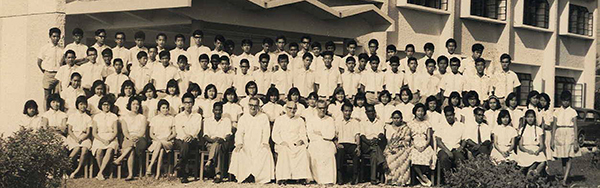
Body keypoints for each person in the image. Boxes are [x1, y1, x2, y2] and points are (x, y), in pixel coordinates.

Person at [229, 97, 275, 183]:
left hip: (259, 143)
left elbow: (266, 132)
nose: (253, 108)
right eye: (251, 105)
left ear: (258, 106)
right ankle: (244, 176)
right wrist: (239, 143)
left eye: (255, 105)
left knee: (265, 152)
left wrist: (265, 142)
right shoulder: (243, 118)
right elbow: (239, 133)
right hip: (246, 144)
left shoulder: (263, 117)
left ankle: (258, 177)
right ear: (248, 105)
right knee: (239, 152)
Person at [272, 101, 311, 185]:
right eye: (290, 108)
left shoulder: (300, 120)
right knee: (284, 150)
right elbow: (275, 134)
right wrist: (281, 142)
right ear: (286, 108)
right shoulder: (279, 119)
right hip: (283, 143)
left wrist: (301, 140)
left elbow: (303, 134)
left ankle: (301, 177)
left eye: (294, 109)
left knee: (302, 150)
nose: (292, 110)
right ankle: (283, 178)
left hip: (296, 143)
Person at [113, 96, 148, 181]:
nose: (135, 106)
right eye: (133, 104)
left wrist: (137, 137)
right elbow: (125, 132)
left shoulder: (142, 117)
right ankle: (131, 174)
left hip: (140, 139)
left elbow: (143, 131)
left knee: (132, 145)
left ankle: (120, 158)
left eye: (137, 104)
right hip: (128, 138)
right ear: (130, 105)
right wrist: (130, 137)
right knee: (131, 148)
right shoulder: (125, 118)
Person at [174, 93, 203, 183]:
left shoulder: (197, 116)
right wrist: (185, 137)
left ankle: (180, 166)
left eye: (190, 102)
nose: (188, 105)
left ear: (193, 104)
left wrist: (190, 136)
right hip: (180, 140)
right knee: (184, 144)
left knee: (186, 144)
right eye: (186, 103)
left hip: (193, 140)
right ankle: (184, 174)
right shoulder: (178, 116)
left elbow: (197, 129)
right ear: (183, 103)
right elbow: (179, 129)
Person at [306, 100, 337, 184]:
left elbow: (331, 135)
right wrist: (323, 134)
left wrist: (320, 133)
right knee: (315, 153)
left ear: (326, 109)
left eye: (324, 108)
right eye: (320, 108)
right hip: (315, 142)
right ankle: (318, 179)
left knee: (329, 154)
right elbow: (311, 135)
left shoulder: (330, 120)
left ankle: (329, 179)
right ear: (316, 108)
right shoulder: (311, 120)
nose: (322, 110)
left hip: (328, 143)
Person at [552, 91, 579, 186]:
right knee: (563, 158)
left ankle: (564, 180)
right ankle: (565, 177)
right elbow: (554, 126)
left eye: (567, 101)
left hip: (569, 133)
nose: (565, 103)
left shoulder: (573, 112)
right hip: (559, 133)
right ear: (561, 101)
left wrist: (575, 141)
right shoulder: (556, 112)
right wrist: (552, 140)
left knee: (569, 157)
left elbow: (575, 127)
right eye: (564, 100)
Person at [203, 101, 233, 183]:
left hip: (223, 143)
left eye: (219, 110)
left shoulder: (226, 120)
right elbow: (205, 135)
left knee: (219, 144)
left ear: (222, 111)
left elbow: (228, 134)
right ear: (213, 111)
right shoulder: (207, 120)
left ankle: (209, 161)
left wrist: (222, 139)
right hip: (210, 143)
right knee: (217, 147)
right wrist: (213, 140)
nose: (218, 112)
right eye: (216, 110)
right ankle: (218, 175)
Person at [435, 106, 467, 184]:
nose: (449, 117)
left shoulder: (460, 125)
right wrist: (447, 151)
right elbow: (438, 141)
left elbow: (464, 139)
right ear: (445, 116)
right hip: (444, 149)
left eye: (451, 115)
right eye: (447, 115)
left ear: (454, 115)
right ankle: (448, 180)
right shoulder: (441, 125)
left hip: (456, 148)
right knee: (444, 158)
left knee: (460, 158)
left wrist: (461, 147)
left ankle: (459, 180)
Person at [90, 96, 119, 180]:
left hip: (111, 137)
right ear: (101, 105)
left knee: (110, 149)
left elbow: (116, 132)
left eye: (108, 105)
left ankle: (100, 173)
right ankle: (102, 172)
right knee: (99, 151)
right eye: (104, 104)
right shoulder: (96, 117)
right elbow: (94, 132)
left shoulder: (114, 116)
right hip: (99, 137)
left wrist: (109, 140)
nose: (106, 106)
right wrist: (102, 140)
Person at [146, 99, 176, 179]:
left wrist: (168, 138)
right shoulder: (154, 119)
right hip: (156, 141)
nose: (165, 109)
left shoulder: (171, 118)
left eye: (166, 108)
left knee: (161, 145)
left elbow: (174, 133)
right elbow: (151, 134)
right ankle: (158, 174)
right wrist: (158, 140)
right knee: (161, 150)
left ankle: (150, 166)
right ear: (159, 109)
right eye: (163, 108)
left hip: (168, 142)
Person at [409, 103, 436, 186]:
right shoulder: (410, 124)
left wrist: (424, 146)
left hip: (425, 144)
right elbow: (409, 137)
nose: (420, 113)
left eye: (422, 111)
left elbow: (429, 138)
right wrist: (415, 146)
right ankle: (422, 177)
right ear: (415, 112)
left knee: (428, 155)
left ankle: (421, 175)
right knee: (413, 156)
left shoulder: (427, 123)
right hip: (414, 144)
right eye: (418, 111)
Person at [334, 102, 361, 185]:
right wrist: (337, 144)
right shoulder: (337, 121)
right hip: (341, 143)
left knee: (356, 153)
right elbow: (334, 136)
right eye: (346, 111)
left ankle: (355, 176)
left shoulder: (355, 122)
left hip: (351, 144)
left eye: (349, 111)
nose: (347, 113)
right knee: (340, 152)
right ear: (342, 111)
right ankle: (340, 176)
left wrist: (358, 146)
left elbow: (357, 135)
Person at [66, 96, 92, 178]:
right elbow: (69, 130)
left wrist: (82, 138)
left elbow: (88, 132)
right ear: (77, 105)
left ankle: (77, 170)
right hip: (73, 136)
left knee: (84, 149)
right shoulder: (72, 116)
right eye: (81, 104)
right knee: (76, 148)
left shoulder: (88, 117)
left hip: (84, 137)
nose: (83, 106)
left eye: (84, 104)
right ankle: (65, 168)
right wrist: (76, 138)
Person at [359, 104, 386, 185]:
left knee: (374, 154)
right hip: (365, 144)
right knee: (375, 148)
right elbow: (362, 135)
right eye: (369, 111)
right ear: (366, 112)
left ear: (375, 112)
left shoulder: (379, 122)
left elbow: (381, 133)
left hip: (375, 143)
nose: (371, 113)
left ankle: (373, 179)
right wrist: (368, 141)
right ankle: (382, 162)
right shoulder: (363, 122)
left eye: (372, 111)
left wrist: (377, 139)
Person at [516, 110, 547, 178]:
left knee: (543, 162)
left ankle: (533, 173)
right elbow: (520, 146)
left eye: (532, 117)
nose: (530, 119)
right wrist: (527, 151)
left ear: (535, 118)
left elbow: (542, 145)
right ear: (526, 118)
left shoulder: (539, 129)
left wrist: (538, 151)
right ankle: (530, 178)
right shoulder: (522, 130)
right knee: (533, 162)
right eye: (528, 117)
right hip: (525, 150)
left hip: (536, 149)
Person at [383, 110, 411, 186]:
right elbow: (388, 140)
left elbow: (407, 140)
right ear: (392, 119)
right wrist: (392, 148)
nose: (396, 120)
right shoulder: (389, 127)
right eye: (394, 118)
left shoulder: (405, 128)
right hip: (390, 146)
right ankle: (391, 180)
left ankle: (402, 181)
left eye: (398, 118)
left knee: (404, 157)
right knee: (389, 157)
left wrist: (399, 145)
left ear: (401, 118)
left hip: (402, 147)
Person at [37, 28, 63, 105]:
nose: (56, 38)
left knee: (57, 96)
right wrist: (45, 72)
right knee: (47, 96)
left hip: (58, 74)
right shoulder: (45, 48)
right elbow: (39, 62)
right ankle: (46, 114)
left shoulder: (62, 49)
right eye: (54, 36)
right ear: (50, 36)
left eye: (57, 36)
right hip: (48, 74)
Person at [539, 92, 554, 160]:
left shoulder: (548, 112)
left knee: (546, 147)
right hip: (538, 132)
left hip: (547, 133)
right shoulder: (537, 111)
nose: (543, 102)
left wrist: (544, 125)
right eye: (541, 100)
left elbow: (550, 125)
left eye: (545, 101)